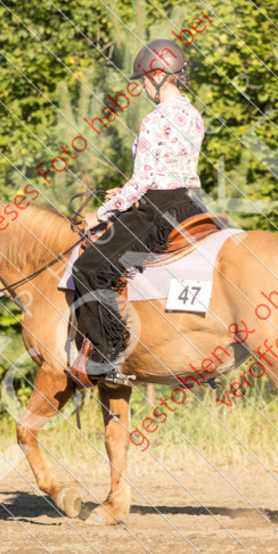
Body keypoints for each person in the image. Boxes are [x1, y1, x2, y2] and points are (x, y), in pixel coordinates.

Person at [70, 39, 208, 387]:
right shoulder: (193, 114)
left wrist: (101, 213)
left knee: (87, 268)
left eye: (145, 79)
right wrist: (124, 193)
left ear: (159, 76)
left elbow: (144, 180)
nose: (144, 87)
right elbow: (167, 173)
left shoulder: (154, 119)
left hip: (159, 211)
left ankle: (107, 356)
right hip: (191, 205)